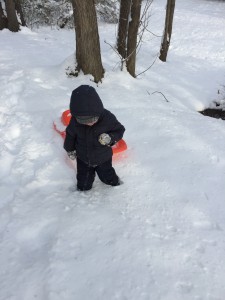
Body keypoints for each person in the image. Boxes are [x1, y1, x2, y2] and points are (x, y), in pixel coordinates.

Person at [64, 85, 125, 191]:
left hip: (103, 158)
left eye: (93, 119)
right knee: (83, 183)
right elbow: (70, 135)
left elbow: (119, 130)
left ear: (98, 111)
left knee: (107, 176)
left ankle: (116, 184)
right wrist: (69, 149)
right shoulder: (74, 121)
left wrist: (110, 138)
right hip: (83, 157)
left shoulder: (107, 118)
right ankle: (82, 190)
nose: (90, 123)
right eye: (84, 121)